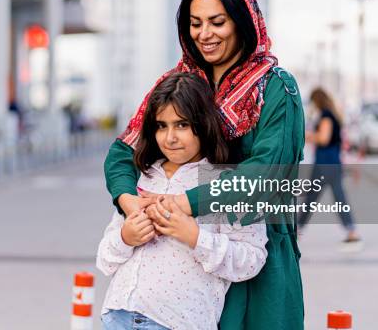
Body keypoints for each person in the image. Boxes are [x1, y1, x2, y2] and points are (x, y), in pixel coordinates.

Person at [104, 0, 305, 329]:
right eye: (195, 23)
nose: (205, 34)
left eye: (217, 22)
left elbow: (266, 175)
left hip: (250, 251)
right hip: (182, 265)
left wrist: (183, 204)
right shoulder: (179, 84)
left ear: (242, 22)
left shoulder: (274, 88)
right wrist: (128, 201)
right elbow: (124, 151)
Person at [97, 73, 268, 330]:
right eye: (161, 126)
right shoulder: (144, 178)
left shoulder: (225, 183)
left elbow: (252, 259)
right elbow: (105, 260)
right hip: (117, 316)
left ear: (204, 123)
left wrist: (195, 237)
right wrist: (125, 237)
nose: (170, 138)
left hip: (176, 322)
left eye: (182, 125)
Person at [298, 87, 361, 244]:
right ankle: (351, 230)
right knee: (329, 197)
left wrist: (303, 135)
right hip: (331, 162)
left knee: (313, 198)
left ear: (316, 100)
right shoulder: (331, 114)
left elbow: (323, 138)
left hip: (325, 163)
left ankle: (297, 229)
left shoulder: (326, 115)